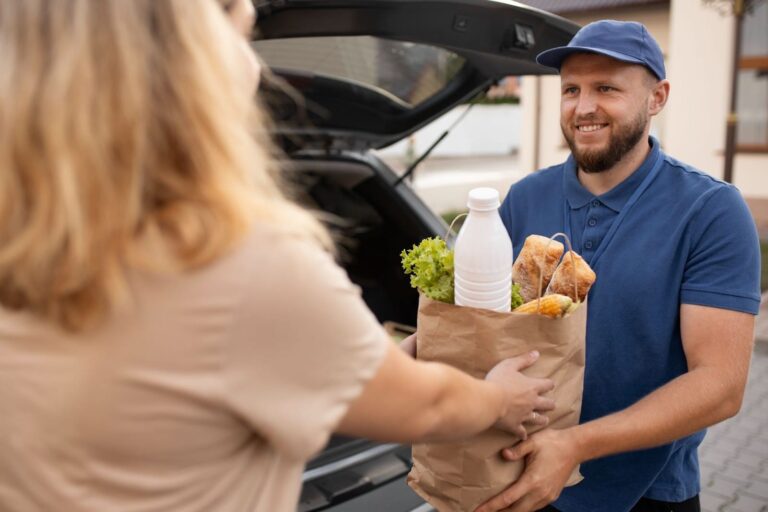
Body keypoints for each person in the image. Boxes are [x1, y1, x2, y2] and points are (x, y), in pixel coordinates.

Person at [0, 1, 556, 511]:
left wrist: (382, 358)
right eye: (243, 38)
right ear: (190, 66)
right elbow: (429, 409)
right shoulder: (233, 262)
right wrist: (498, 400)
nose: (258, 70)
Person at [475, 20, 760, 512]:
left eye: (606, 87)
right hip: (516, 471)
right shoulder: (525, 198)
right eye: (571, 89)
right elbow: (483, 322)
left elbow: (720, 386)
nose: (584, 107)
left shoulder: (710, 211)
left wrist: (576, 444)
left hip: (647, 494)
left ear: (657, 97)